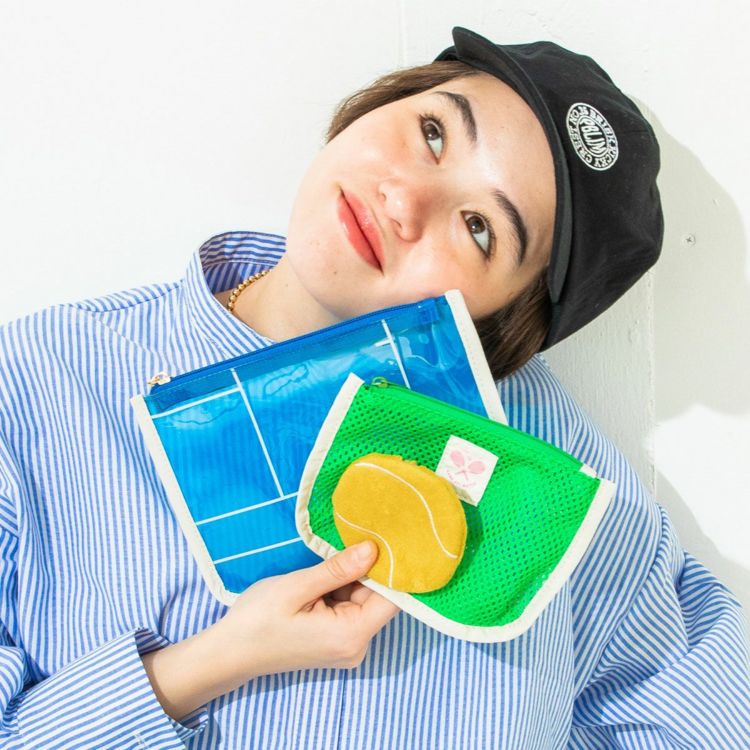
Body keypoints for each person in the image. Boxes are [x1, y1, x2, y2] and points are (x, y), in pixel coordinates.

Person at [0, 25, 748, 749]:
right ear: (384, 100)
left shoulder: (546, 473)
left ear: (505, 319)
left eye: (480, 228)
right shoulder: (42, 380)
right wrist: (207, 664)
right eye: (434, 132)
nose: (404, 199)